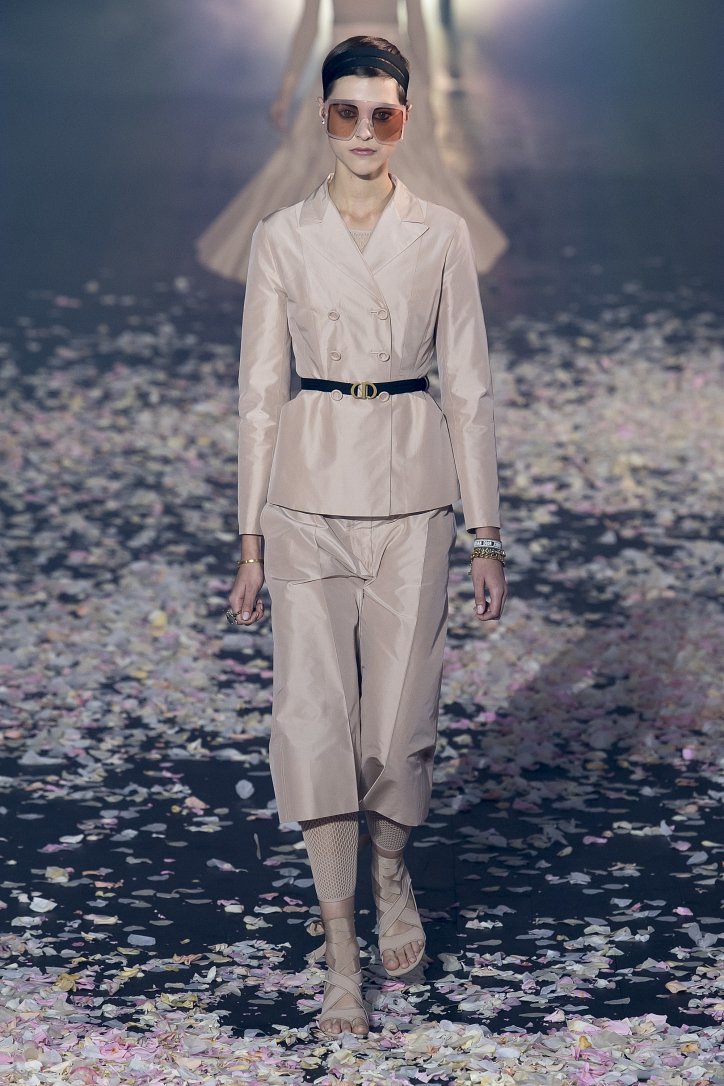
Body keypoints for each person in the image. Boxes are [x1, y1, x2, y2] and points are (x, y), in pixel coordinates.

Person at [227, 35, 507, 1038]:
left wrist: (486, 533)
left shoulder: (440, 235)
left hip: (413, 496)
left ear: (404, 121)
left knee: (398, 727)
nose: (362, 131)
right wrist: (249, 540)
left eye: (380, 113)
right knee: (313, 720)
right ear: (322, 118)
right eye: (345, 111)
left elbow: (468, 384)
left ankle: (389, 870)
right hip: (304, 496)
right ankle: (341, 956)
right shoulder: (282, 237)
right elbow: (258, 393)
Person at [196, 0, 508, 282]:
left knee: (372, 161)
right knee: (350, 160)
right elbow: (313, 24)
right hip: (366, 62)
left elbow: (411, 23)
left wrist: (426, 87)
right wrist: (286, 90)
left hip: (363, 62)